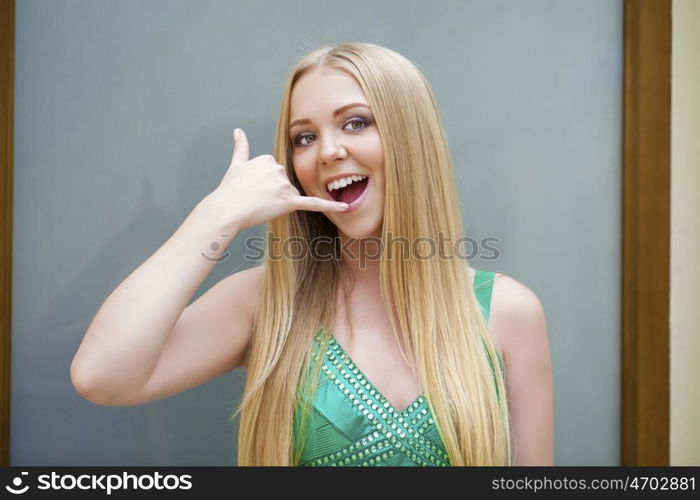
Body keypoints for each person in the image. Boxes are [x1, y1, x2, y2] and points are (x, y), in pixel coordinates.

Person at [71, 42, 553, 466]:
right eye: (305, 137)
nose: (327, 151)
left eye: (356, 123)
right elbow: (102, 376)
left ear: (411, 139)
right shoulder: (265, 303)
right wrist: (216, 215)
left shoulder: (507, 313)